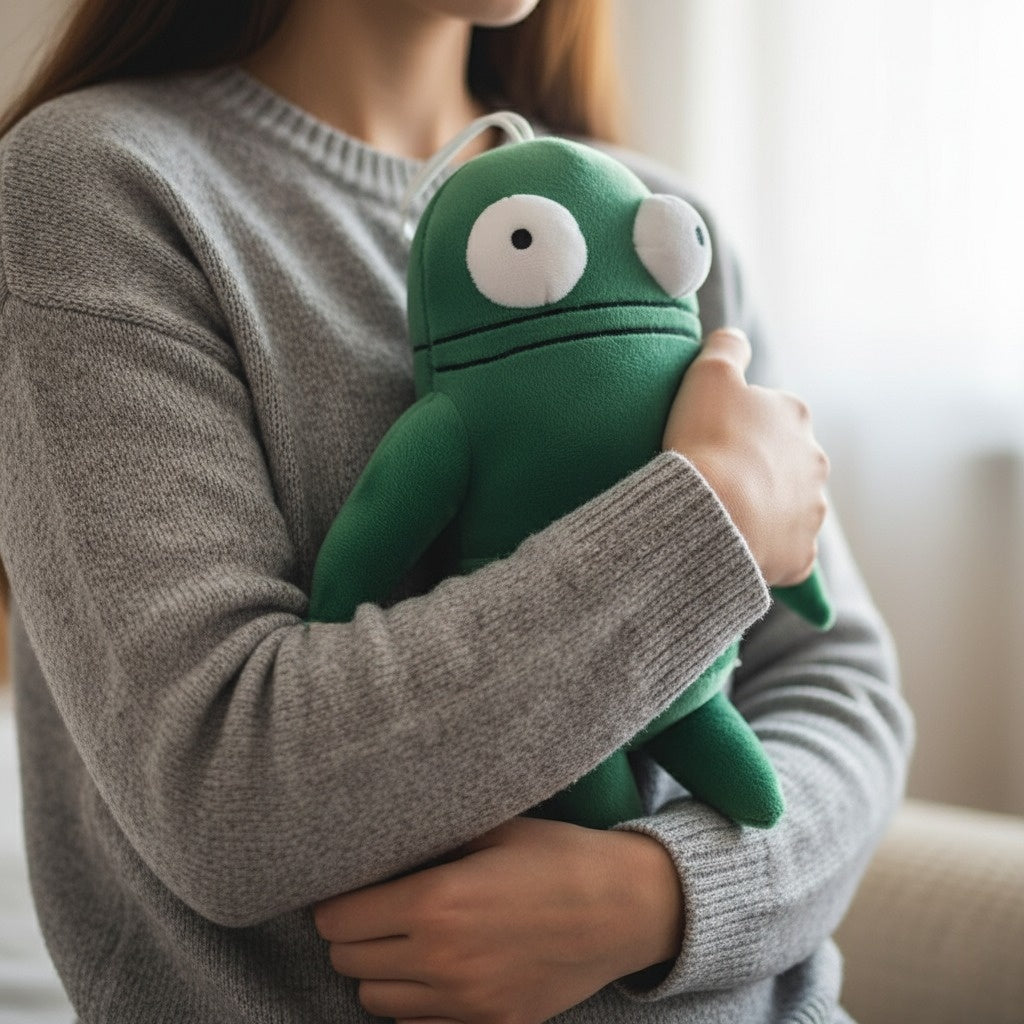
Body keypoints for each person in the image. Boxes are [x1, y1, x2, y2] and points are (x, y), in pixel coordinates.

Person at [0, 1, 912, 1022]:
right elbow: (225, 795)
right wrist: (711, 524)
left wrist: (663, 896)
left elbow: (842, 686)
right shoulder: (102, 185)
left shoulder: (659, 225)